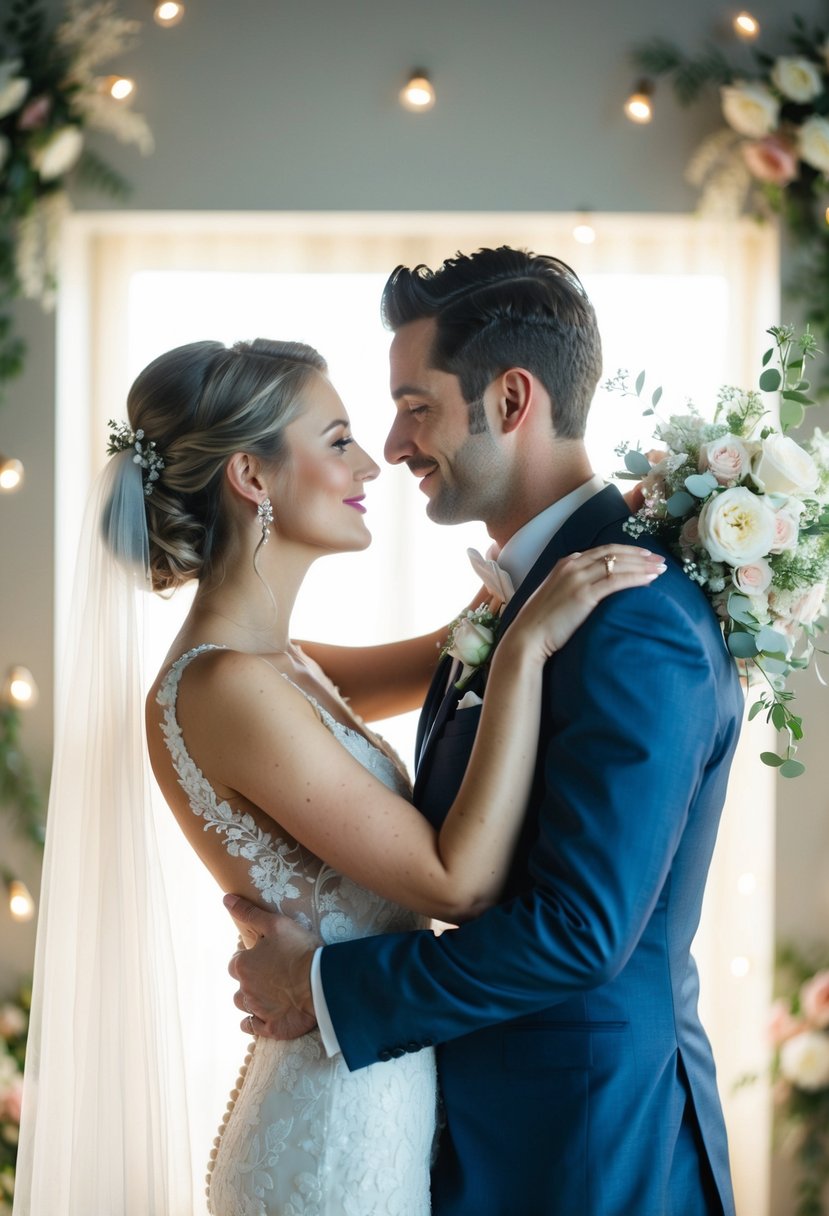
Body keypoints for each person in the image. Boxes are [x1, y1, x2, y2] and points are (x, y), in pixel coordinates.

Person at [12, 333, 661, 1216]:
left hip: (377, 1091)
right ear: (252, 478)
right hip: (328, 1140)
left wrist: (623, 515)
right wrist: (529, 653)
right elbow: (456, 883)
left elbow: (462, 639)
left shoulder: (282, 665)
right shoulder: (226, 687)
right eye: (338, 439)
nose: (373, 462)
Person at [226, 248, 747, 1216]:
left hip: (589, 1147)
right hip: (495, 1126)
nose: (392, 442)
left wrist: (330, 984)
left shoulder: (628, 611)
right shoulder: (525, 597)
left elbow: (580, 932)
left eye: (415, 405)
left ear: (511, 400)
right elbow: (264, 679)